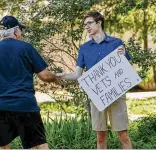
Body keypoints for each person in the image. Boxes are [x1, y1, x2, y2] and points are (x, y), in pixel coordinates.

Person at [0, 15, 57, 149]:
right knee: (39, 146)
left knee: (2, 147)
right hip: (24, 105)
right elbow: (45, 76)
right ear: (15, 31)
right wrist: (55, 77)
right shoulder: (26, 48)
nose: (21, 33)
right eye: (20, 29)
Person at [56, 11, 133, 149]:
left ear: (99, 23)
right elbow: (77, 75)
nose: (86, 27)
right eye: (84, 25)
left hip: (116, 94)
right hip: (97, 95)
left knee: (124, 135)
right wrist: (62, 76)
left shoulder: (116, 43)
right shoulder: (84, 49)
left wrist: (123, 56)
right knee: (100, 137)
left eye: (89, 23)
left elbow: (127, 70)